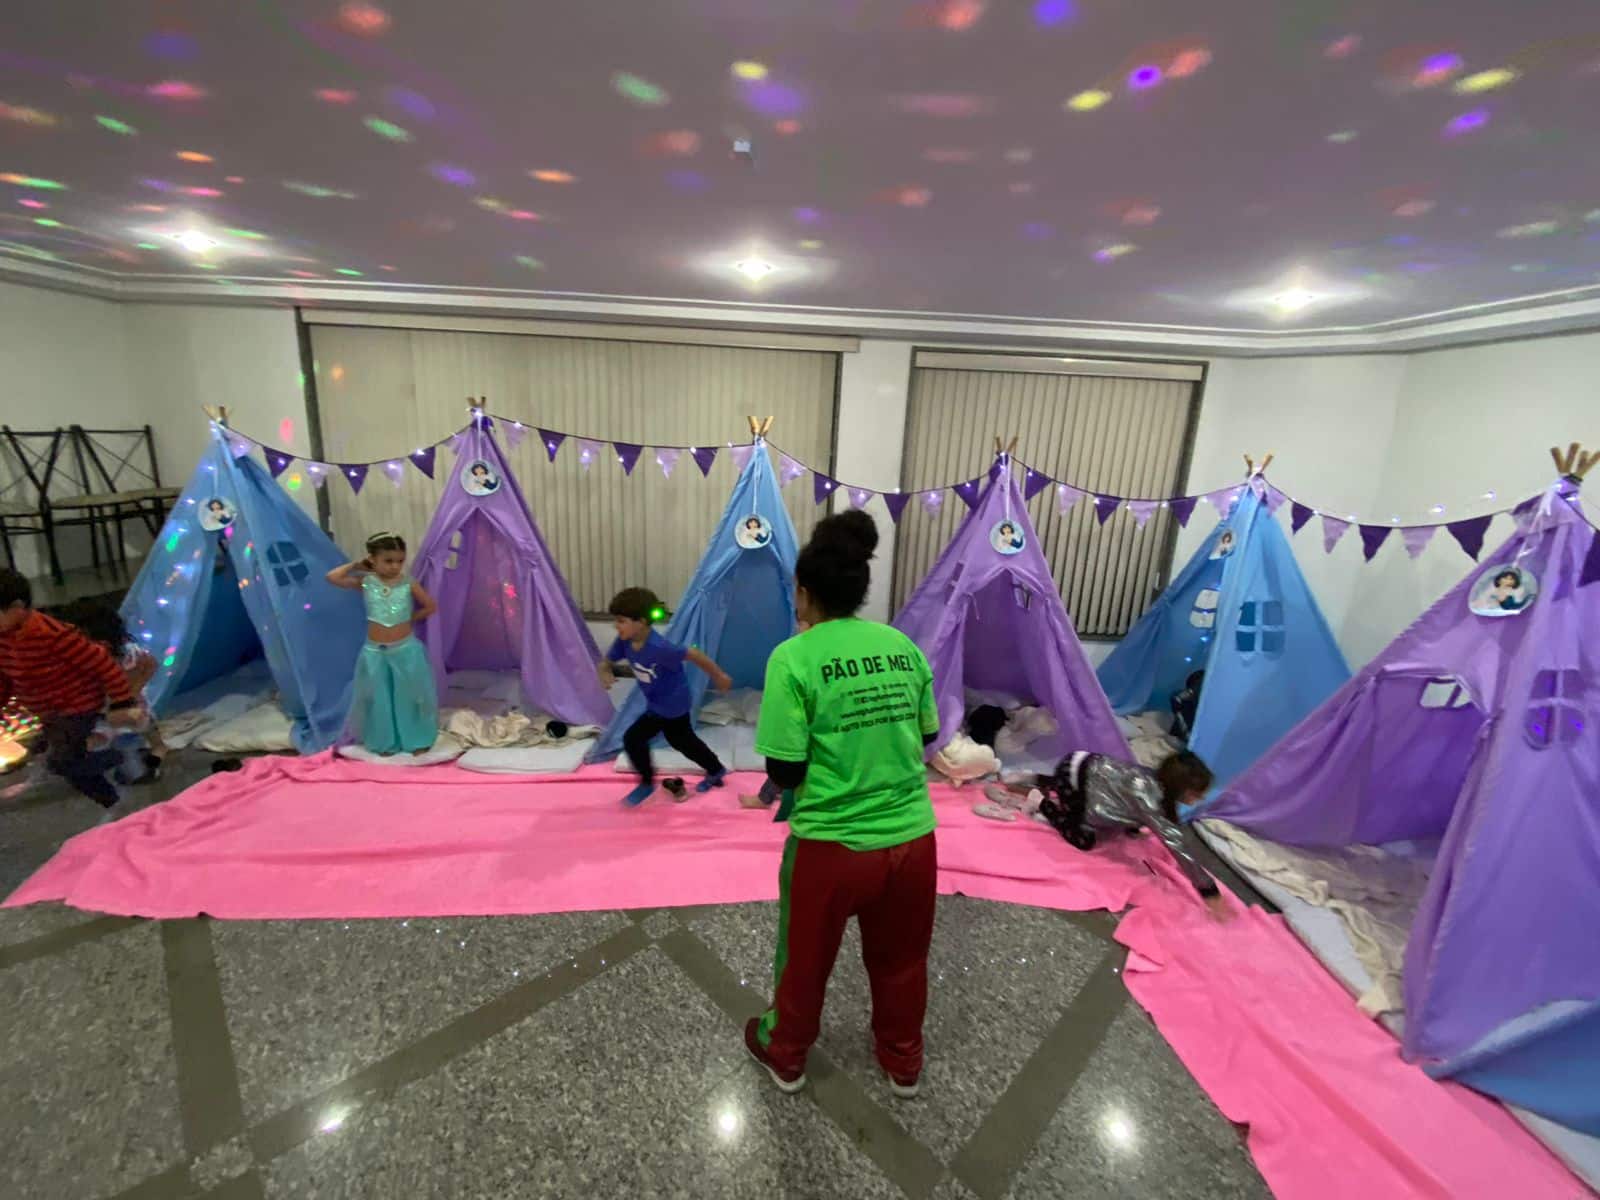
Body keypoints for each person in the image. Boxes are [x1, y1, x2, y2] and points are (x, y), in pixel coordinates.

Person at [744, 510, 942, 1100]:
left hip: (831, 847)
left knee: (804, 960)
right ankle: (903, 1063)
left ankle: (786, 1055)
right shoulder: (901, 646)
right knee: (903, 962)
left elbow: (784, 770)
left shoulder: (793, 658)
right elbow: (928, 734)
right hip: (913, 842)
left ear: (804, 592)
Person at [0, 569, 142, 814]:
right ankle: (102, 774)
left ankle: (115, 784)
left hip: (77, 705)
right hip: (49, 710)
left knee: (65, 762)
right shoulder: (5, 637)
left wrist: (122, 702)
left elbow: (102, 663)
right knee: (48, 750)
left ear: (17, 608)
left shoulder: (51, 634)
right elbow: (6, 674)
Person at [1027, 750, 1230, 919]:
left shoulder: (1155, 784)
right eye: (1196, 794)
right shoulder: (1151, 799)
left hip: (1083, 765)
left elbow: (1123, 799)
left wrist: (1132, 828)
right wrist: (1209, 891)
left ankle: (1046, 782)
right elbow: (1177, 845)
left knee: (1106, 821)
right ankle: (1041, 803)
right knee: (1084, 840)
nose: (1201, 798)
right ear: (1181, 788)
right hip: (1073, 776)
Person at [600, 587, 733, 806]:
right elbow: (607, 661)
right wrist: (604, 671)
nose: (616, 625)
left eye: (622, 621)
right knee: (681, 741)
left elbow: (693, 653)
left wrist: (719, 676)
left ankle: (647, 783)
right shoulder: (625, 641)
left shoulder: (660, 648)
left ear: (641, 622)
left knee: (638, 738)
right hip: (656, 703)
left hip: (673, 704)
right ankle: (715, 769)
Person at [326, 532, 440, 755]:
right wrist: (356, 565)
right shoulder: (367, 582)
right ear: (373, 559)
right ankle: (384, 741)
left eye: (400, 561)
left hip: (405, 650)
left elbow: (430, 606)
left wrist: (409, 619)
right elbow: (332, 577)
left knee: (408, 697)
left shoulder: (408, 583)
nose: (395, 566)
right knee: (379, 698)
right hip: (375, 652)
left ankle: (416, 739)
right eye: (388, 561)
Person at [61, 597, 166, 783]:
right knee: (96, 737)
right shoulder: (76, 661)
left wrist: (133, 691)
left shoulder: (128, 654)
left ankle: (156, 749)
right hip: (100, 710)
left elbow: (151, 664)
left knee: (138, 726)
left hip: (128, 706)